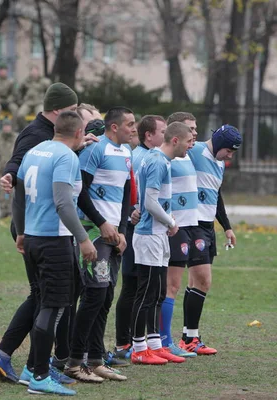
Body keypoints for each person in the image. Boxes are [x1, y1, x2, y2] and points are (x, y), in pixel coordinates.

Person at [0, 83, 81, 385]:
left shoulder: (55, 139)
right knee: (46, 296)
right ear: (58, 111)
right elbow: (18, 164)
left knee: (50, 295)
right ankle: (24, 361)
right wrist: (10, 174)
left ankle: (33, 360)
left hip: (37, 226)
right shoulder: (37, 134)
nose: (76, 116)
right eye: (73, 111)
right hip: (39, 227)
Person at [12, 111, 97, 396]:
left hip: (34, 238)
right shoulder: (66, 157)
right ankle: (39, 376)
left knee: (46, 303)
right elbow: (63, 203)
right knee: (54, 306)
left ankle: (31, 369)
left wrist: (22, 231)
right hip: (54, 241)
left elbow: (18, 194)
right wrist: (84, 239)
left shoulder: (35, 151)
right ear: (77, 132)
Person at [65, 107, 135, 382]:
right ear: (114, 127)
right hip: (94, 231)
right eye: (129, 124)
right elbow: (80, 193)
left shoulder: (127, 153)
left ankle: (95, 360)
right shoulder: (96, 150)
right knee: (94, 294)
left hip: (115, 234)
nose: (134, 128)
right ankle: (73, 361)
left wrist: (123, 230)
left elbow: (127, 195)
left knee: (105, 296)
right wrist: (103, 223)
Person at [130, 121, 194, 365]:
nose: (191, 146)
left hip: (157, 233)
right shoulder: (157, 162)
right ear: (175, 140)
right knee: (146, 293)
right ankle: (138, 348)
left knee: (157, 292)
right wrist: (170, 222)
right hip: (150, 235)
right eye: (188, 141)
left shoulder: (160, 160)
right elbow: (149, 202)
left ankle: (155, 345)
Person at [177, 124, 241, 355]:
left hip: (207, 225)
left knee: (195, 283)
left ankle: (189, 337)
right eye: (229, 151)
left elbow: (216, 194)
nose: (230, 156)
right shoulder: (194, 152)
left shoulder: (219, 163)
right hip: (192, 224)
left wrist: (226, 227)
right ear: (220, 144)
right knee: (203, 280)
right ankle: (189, 338)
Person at [114, 115, 166, 359]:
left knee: (147, 287)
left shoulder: (155, 157)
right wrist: (130, 213)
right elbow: (129, 190)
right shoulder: (137, 157)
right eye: (162, 131)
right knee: (133, 286)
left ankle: (147, 342)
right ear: (149, 135)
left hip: (148, 227)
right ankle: (125, 342)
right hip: (136, 229)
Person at [159, 112, 200, 358]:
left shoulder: (187, 156)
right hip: (172, 227)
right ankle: (163, 341)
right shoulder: (168, 158)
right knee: (170, 286)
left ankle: (162, 340)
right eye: (190, 129)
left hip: (184, 226)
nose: (194, 133)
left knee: (171, 285)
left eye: (195, 129)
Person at [0, 119, 17, 216]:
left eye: (8, 126)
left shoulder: (15, 137)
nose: (7, 128)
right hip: (0, 167)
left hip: (13, 168)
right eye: (5, 126)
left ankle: (11, 210)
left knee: (12, 189)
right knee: (1, 189)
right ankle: (3, 210)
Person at [16, 66, 51, 130]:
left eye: (35, 71)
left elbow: (49, 92)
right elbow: (19, 92)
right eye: (32, 71)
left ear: (38, 72)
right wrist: (20, 101)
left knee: (41, 115)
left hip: (39, 102)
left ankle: (39, 129)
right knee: (20, 115)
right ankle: (27, 129)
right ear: (30, 72)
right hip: (28, 102)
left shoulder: (44, 81)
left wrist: (46, 102)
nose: (34, 73)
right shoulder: (25, 81)